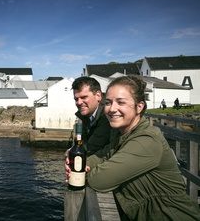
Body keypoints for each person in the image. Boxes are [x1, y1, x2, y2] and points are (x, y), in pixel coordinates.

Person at [65, 75, 200, 220]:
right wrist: (79, 165)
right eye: (109, 103)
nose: (112, 109)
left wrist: (78, 172)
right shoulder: (121, 136)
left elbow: (101, 180)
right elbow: (102, 155)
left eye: (121, 102)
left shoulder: (148, 140)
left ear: (139, 106)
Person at [70, 76, 112, 156]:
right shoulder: (84, 115)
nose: (79, 102)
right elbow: (82, 143)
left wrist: (71, 153)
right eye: (76, 99)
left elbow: (93, 147)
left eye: (84, 97)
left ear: (98, 96)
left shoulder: (107, 115)